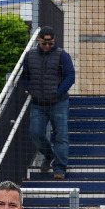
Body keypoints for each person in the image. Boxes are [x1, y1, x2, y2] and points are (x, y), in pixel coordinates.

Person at [20, 26, 77, 179]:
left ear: (54, 41)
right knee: (35, 132)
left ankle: (59, 168)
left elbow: (70, 76)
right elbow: (25, 75)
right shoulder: (30, 56)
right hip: (38, 103)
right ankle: (49, 154)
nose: (47, 46)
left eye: (50, 43)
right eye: (44, 43)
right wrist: (30, 89)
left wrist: (59, 92)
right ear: (38, 39)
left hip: (59, 103)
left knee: (61, 135)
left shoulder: (62, 55)